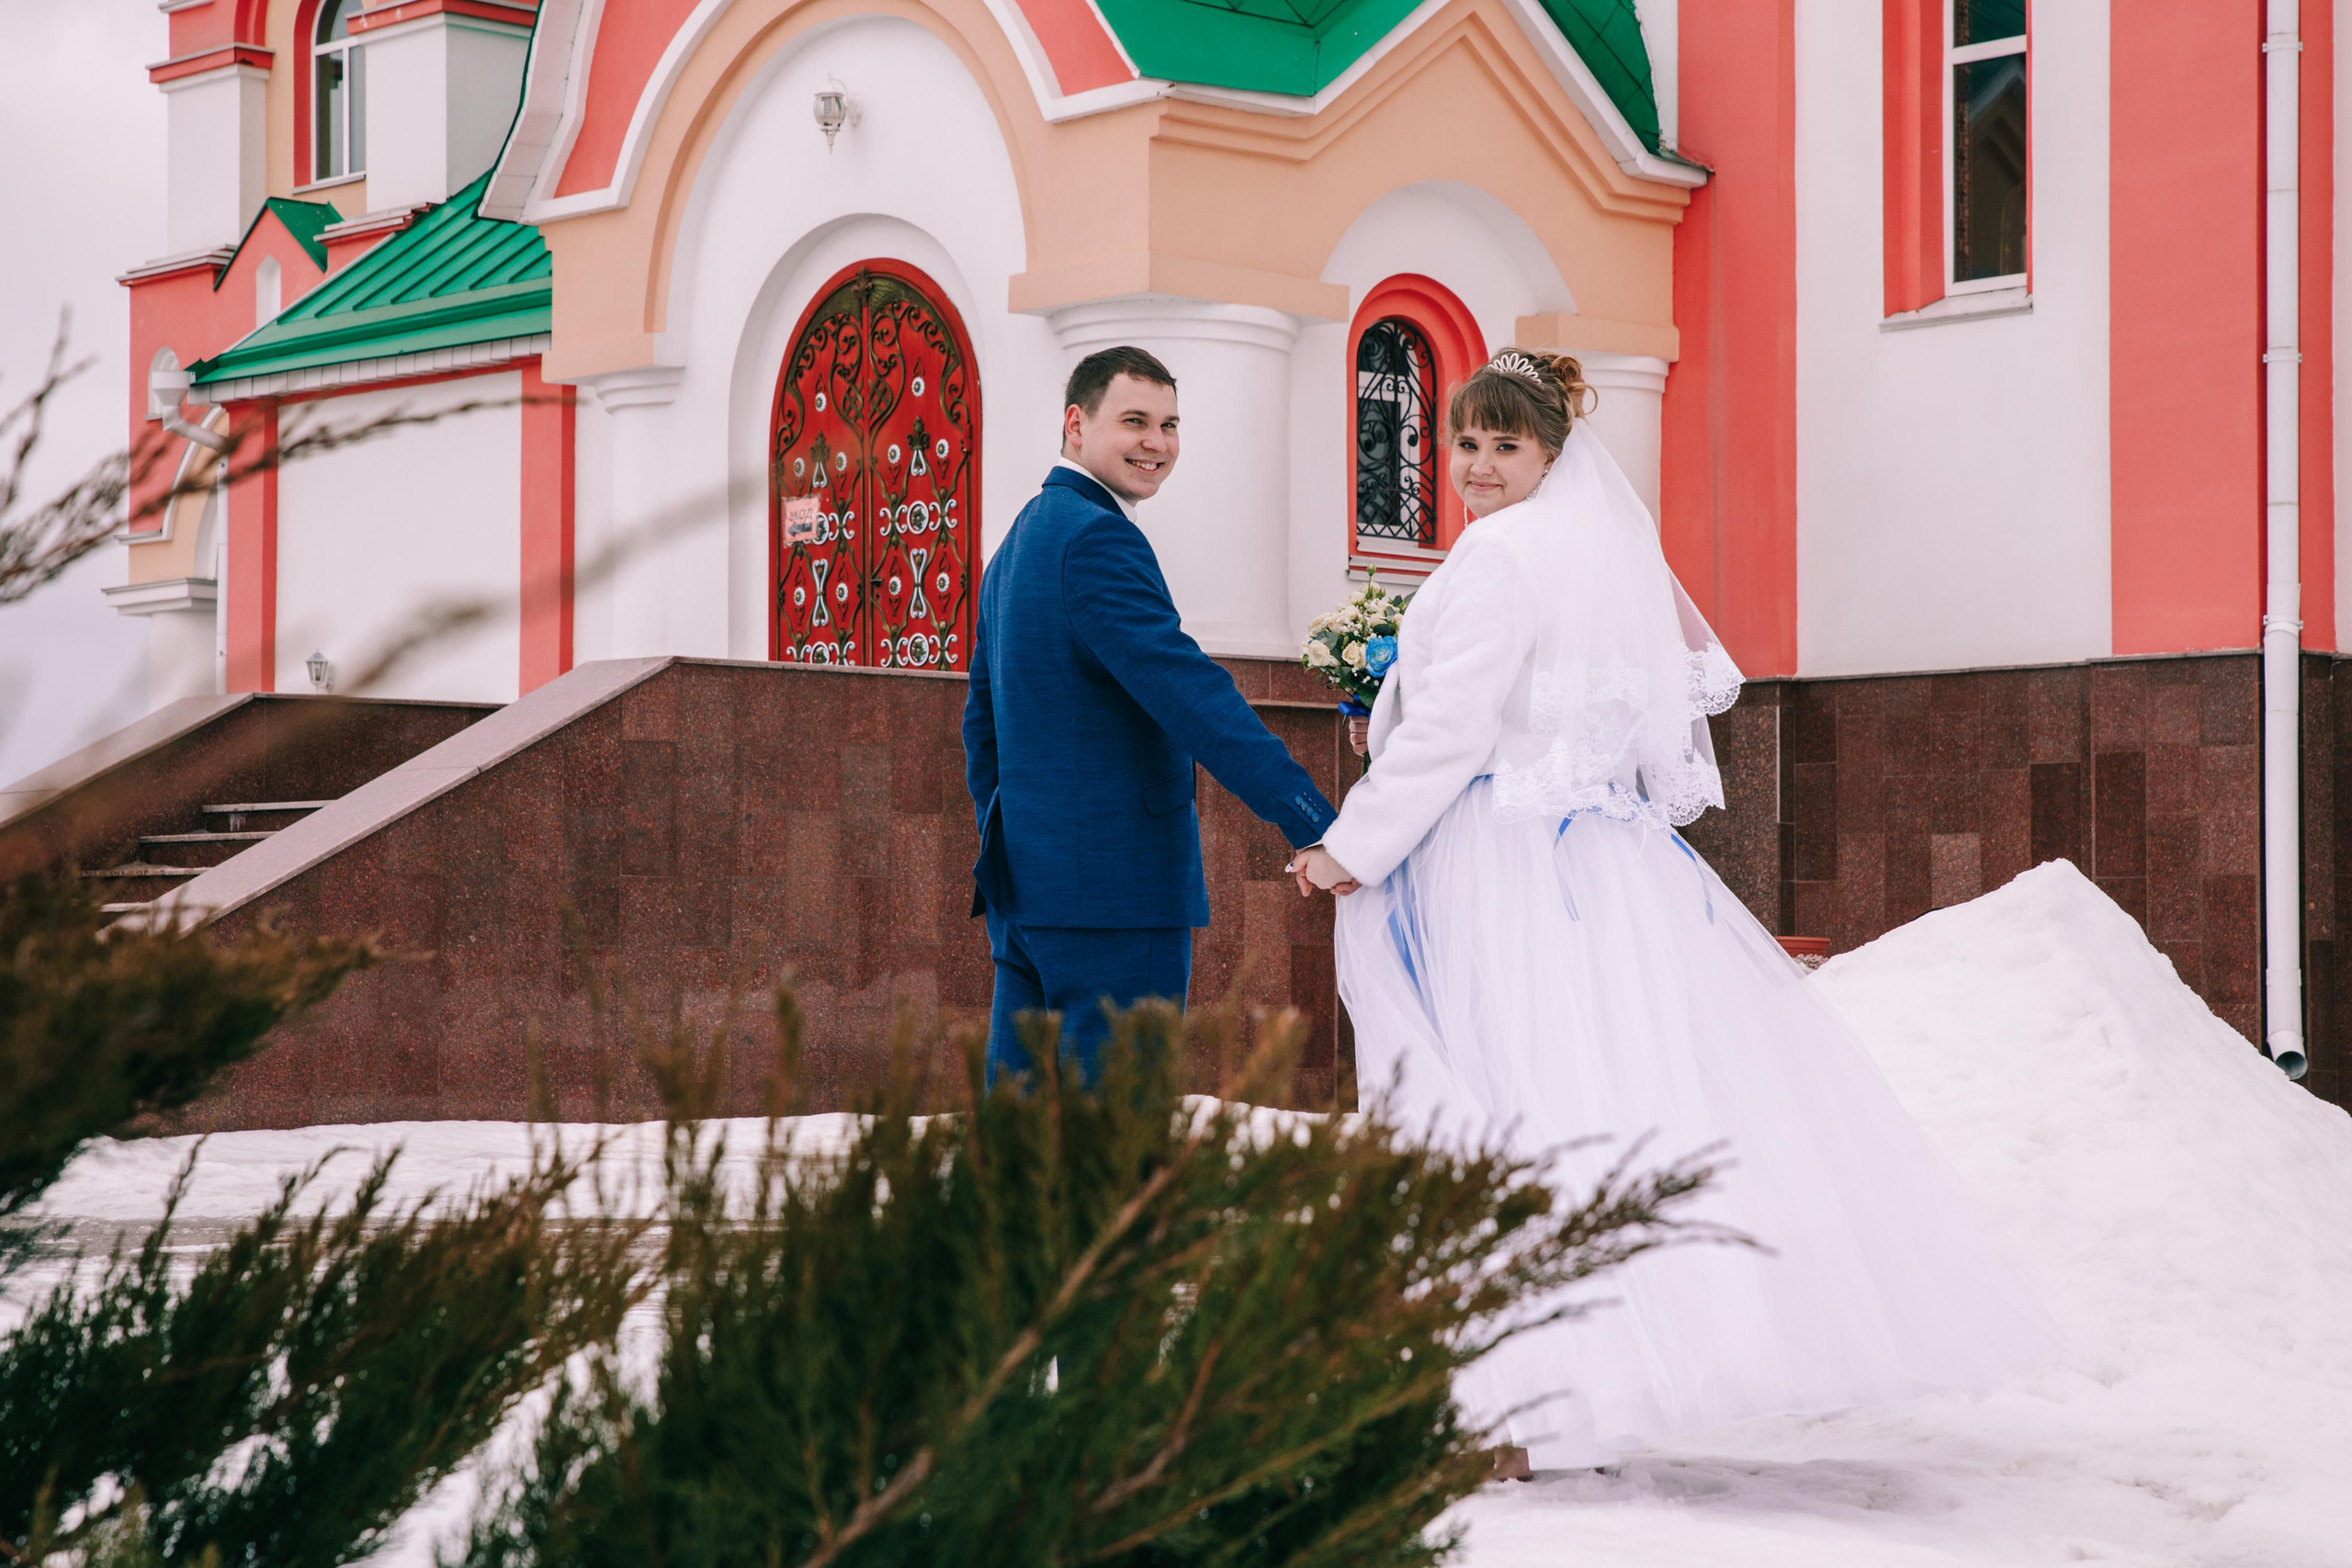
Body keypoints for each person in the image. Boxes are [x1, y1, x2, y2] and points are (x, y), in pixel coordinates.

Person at [1289, 350, 2053, 1472]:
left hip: (1495, 858)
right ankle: (1574, 1389)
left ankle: (1510, 1404)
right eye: (1465, 443)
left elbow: (1453, 733)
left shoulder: (1498, 558)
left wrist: (1349, 851)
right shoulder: (1596, 552)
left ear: (1551, 453)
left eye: (1506, 444)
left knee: (1497, 1109)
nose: (1481, 465)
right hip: (1593, 858)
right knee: (1589, 1104)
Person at [964, 345, 1340, 1082]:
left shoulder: (1018, 540)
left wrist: (1016, 841)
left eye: (1170, 424)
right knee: (1114, 1148)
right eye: (1134, 421)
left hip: (1029, 899)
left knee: (1018, 1152)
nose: (1157, 443)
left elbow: (982, 725)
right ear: (1076, 424)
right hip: (1113, 899)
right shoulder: (1095, 537)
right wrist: (1311, 819)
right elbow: (1190, 694)